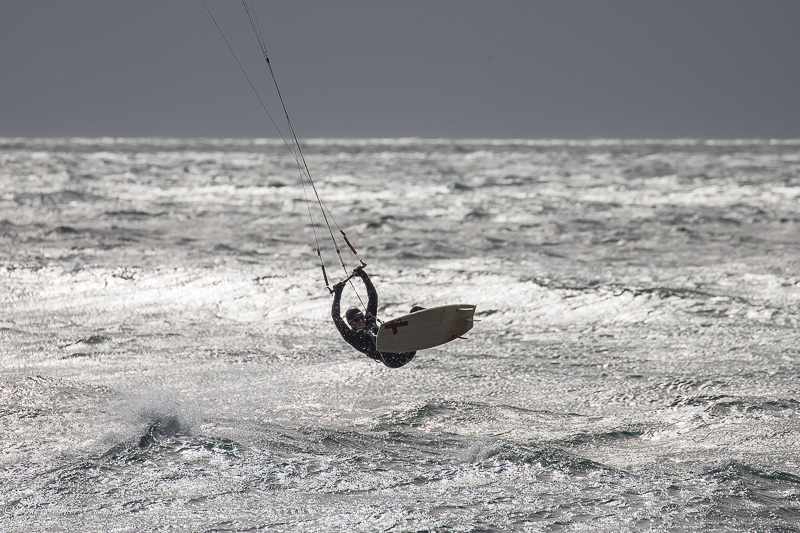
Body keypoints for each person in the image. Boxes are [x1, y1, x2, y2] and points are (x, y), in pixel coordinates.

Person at [331, 266, 417, 368]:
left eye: (362, 317)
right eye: (356, 319)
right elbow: (336, 316)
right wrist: (338, 295)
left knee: (415, 310)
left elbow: (373, 297)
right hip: (391, 360)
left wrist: (364, 276)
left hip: (403, 351)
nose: (362, 320)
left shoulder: (369, 321)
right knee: (373, 337)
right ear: (351, 323)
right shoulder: (351, 337)